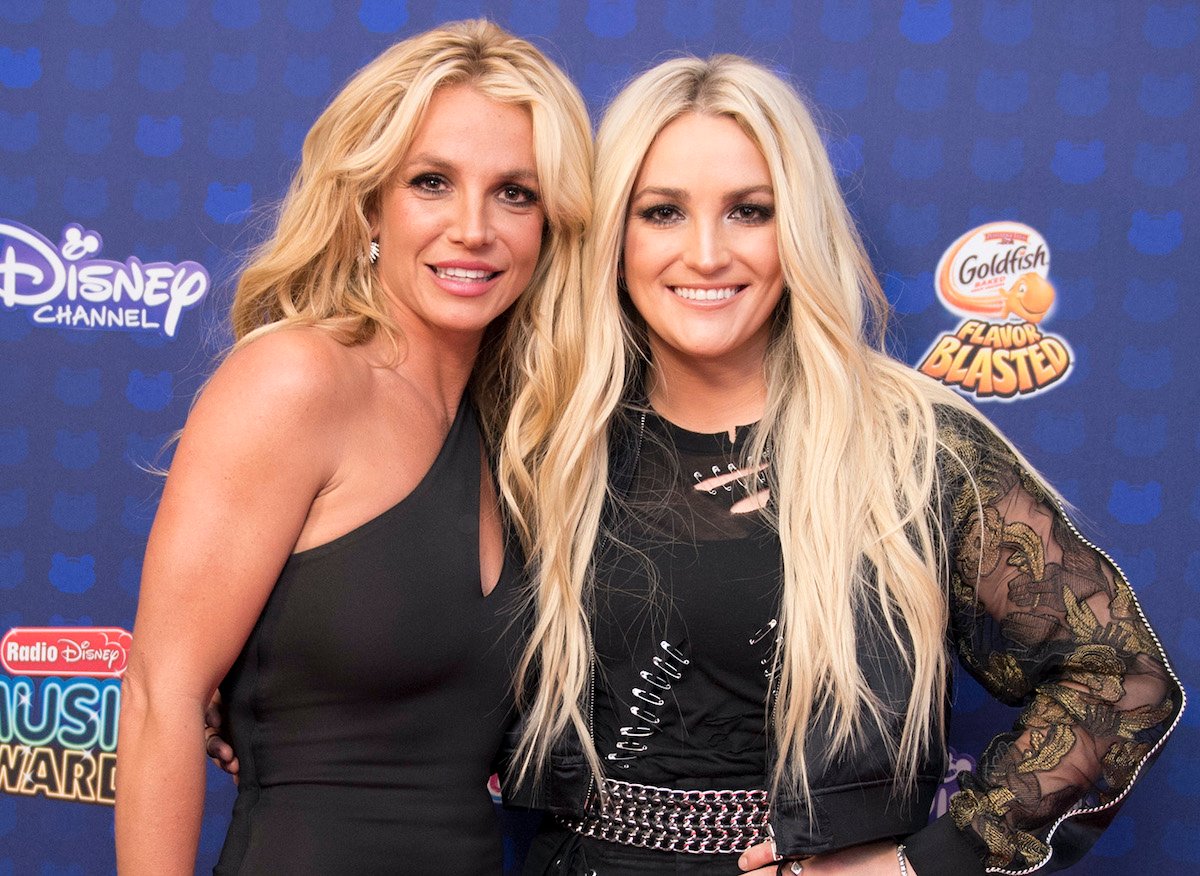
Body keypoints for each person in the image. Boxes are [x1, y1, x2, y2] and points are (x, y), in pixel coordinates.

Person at [499, 55, 1185, 876]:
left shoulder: (908, 445)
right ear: (614, 235)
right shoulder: (545, 439)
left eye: (750, 211)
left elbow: (1121, 678)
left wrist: (923, 864)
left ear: (797, 230)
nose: (708, 253)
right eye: (663, 212)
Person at [115, 20, 591, 875]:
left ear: (551, 225)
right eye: (432, 183)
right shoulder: (298, 380)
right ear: (372, 201)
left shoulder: (518, 438)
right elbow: (160, 697)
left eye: (515, 193)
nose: (474, 228)